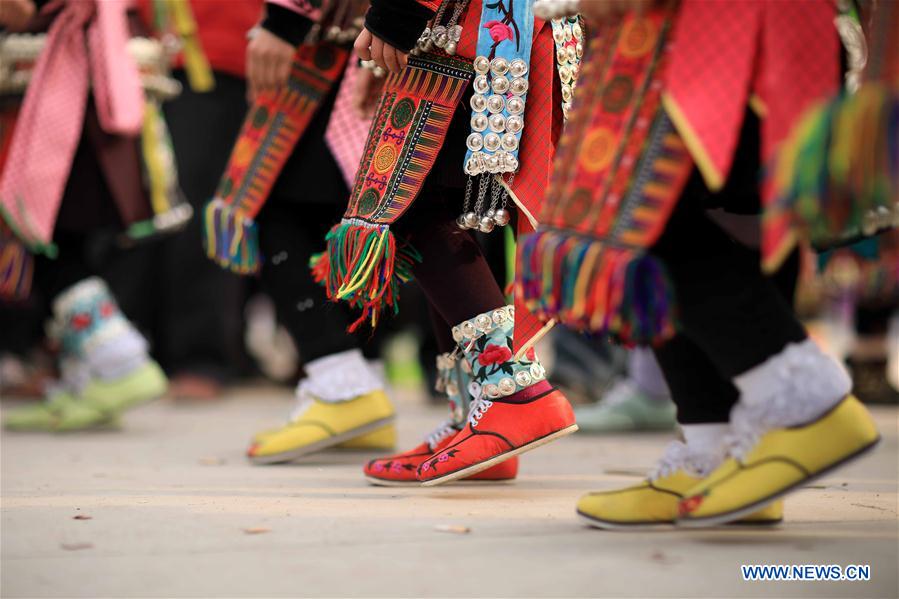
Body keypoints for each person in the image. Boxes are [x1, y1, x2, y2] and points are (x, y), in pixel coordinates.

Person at [521, 0, 883, 528]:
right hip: (690, 26)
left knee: (641, 216)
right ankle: (718, 452)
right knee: (702, 218)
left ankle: (805, 401)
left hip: (733, 21)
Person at [311, 0, 585, 486]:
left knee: (409, 202)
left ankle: (512, 393)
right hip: (480, 25)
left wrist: (401, 10)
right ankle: (476, 414)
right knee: (443, 204)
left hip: (476, 24)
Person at [1, 0, 170, 431]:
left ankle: (119, 361)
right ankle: (87, 378)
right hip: (78, 74)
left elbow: (16, 8)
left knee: (41, 234)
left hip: (54, 86)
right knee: (60, 237)